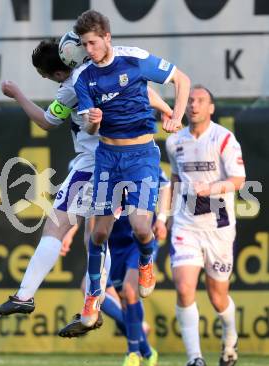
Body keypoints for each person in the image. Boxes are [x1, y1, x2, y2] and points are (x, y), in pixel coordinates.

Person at [0, 37, 173, 316]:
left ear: (61, 71)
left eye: (46, 75)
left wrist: (18, 95)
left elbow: (46, 121)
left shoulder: (73, 85)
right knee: (96, 234)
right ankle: (92, 307)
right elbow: (143, 91)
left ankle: (26, 296)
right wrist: (167, 110)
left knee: (57, 226)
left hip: (93, 164)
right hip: (124, 161)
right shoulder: (109, 71)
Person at [72, 10, 190, 327]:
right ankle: (93, 295)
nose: (89, 50)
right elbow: (90, 128)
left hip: (141, 156)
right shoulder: (83, 77)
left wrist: (176, 116)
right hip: (108, 156)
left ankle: (147, 260)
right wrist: (92, 122)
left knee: (141, 228)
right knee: (97, 235)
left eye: (93, 43)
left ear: (107, 37)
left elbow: (182, 80)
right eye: (84, 45)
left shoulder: (134, 59)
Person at [59, 168, 171, 366]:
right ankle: (146, 349)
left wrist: (162, 219)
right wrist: (70, 232)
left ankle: (133, 353)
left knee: (129, 292)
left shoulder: (140, 153)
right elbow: (85, 204)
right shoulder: (95, 158)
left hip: (138, 240)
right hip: (112, 243)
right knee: (89, 288)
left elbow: (165, 185)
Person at [165, 85, 246, 366]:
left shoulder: (224, 139)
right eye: (190, 101)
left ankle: (230, 338)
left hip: (219, 228)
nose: (194, 105)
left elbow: (238, 179)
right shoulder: (174, 142)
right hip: (187, 225)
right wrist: (166, 217)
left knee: (217, 297)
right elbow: (175, 178)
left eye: (201, 101)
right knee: (185, 287)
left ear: (211, 108)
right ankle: (194, 358)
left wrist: (210, 188)